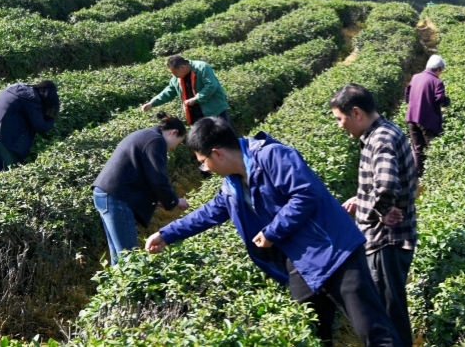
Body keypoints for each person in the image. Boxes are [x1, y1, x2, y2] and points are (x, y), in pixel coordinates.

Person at [144, 117, 401, 346]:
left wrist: (271, 233)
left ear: (217, 154)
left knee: (373, 329)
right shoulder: (232, 183)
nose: (206, 169)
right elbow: (209, 212)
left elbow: (304, 194)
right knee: (308, 332)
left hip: (335, 251)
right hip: (300, 263)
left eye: (203, 163)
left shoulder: (272, 156)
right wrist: (166, 234)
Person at [330, 83, 418, 347]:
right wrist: (364, 198)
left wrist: (379, 211)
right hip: (391, 240)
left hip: (386, 241)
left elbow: (387, 183)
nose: (339, 125)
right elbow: (383, 182)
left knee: (389, 313)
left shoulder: (380, 139)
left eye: (340, 118)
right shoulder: (384, 132)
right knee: (390, 308)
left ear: (356, 113)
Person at [92, 111, 189, 265]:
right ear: (173, 132)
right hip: (116, 198)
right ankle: (129, 288)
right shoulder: (155, 140)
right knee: (129, 257)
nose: (173, 149)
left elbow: (141, 176)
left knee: (119, 256)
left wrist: (159, 201)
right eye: (177, 144)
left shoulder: (147, 136)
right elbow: (158, 179)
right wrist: (174, 201)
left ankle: (118, 287)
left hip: (106, 195)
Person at [0, 80, 59, 177]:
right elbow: (40, 127)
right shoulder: (32, 99)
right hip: (5, 140)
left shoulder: (12, 88)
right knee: (11, 178)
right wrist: (51, 118)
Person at [141, 55, 229, 125]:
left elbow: (211, 85)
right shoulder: (177, 78)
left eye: (175, 73)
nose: (174, 75)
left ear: (182, 67)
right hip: (194, 114)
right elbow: (169, 91)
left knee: (224, 138)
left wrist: (196, 99)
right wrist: (152, 103)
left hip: (214, 110)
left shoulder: (202, 67)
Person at [405, 54, 450, 177]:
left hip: (411, 119)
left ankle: (418, 176)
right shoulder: (436, 82)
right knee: (433, 148)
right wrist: (447, 101)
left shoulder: (415, 77)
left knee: (418, 148)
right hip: (426, 121)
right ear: (438, 69)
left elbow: (406, 97)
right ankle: (433, 176)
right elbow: (440, 99)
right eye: (441, 71)